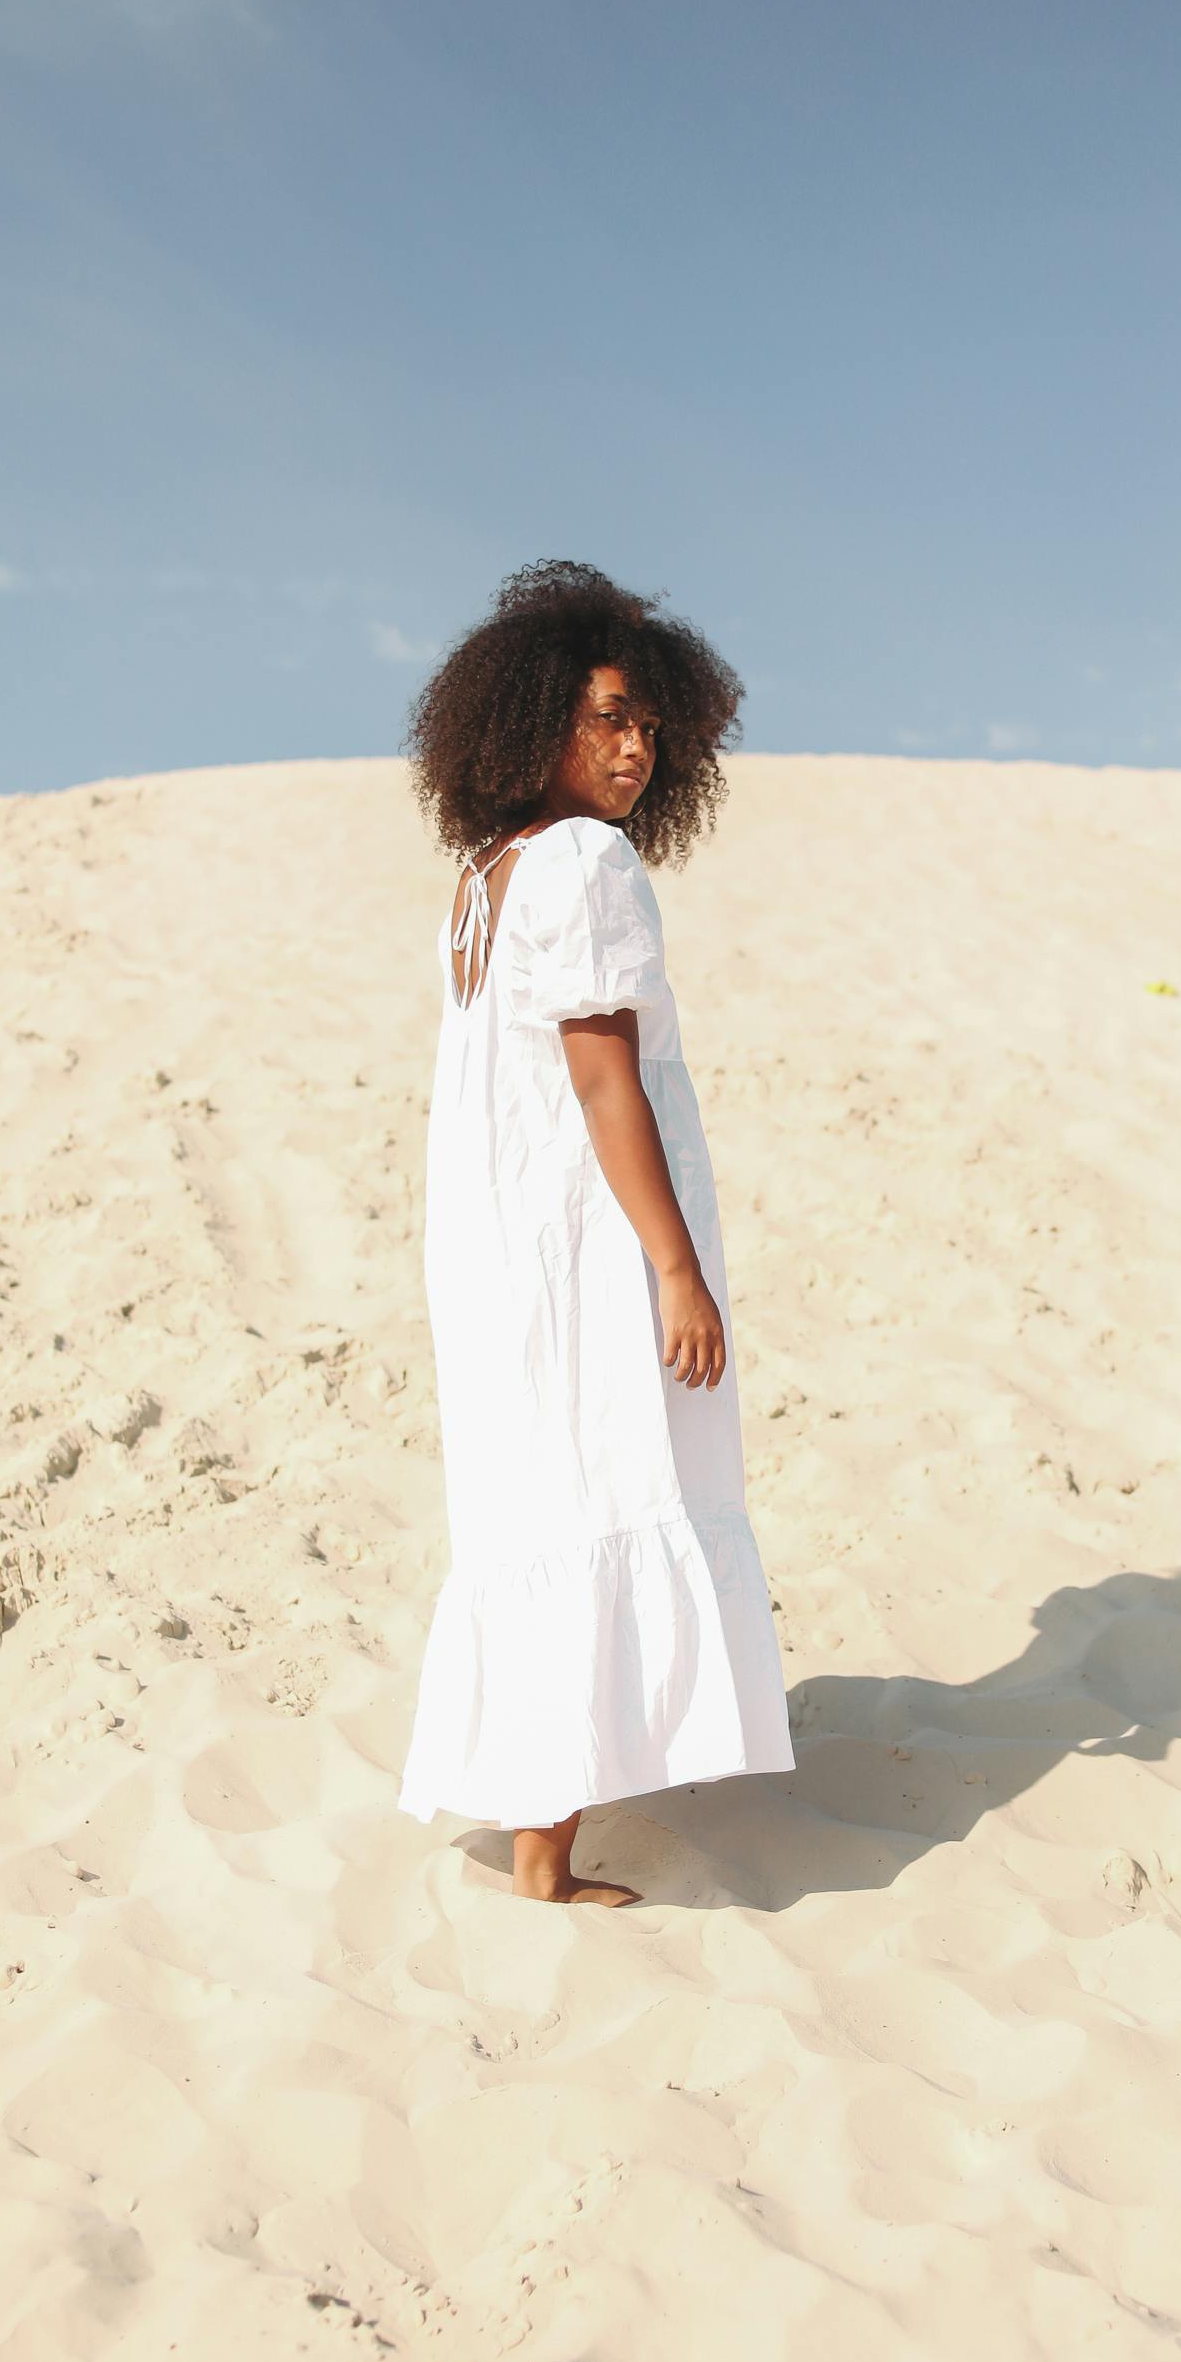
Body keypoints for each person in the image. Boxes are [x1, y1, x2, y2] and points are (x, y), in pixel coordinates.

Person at [398, 561, 795, 1904]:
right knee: (596, 1492)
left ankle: (535, 1834)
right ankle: (545, 1860)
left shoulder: (487, 872)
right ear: (530, 727)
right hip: (583, 1247)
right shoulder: (583, 863)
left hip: (503, 1247)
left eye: (647, 724)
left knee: (536, 1506)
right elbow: (601, 1076)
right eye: (606, 719)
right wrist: (676, 1268)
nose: (635, 746)